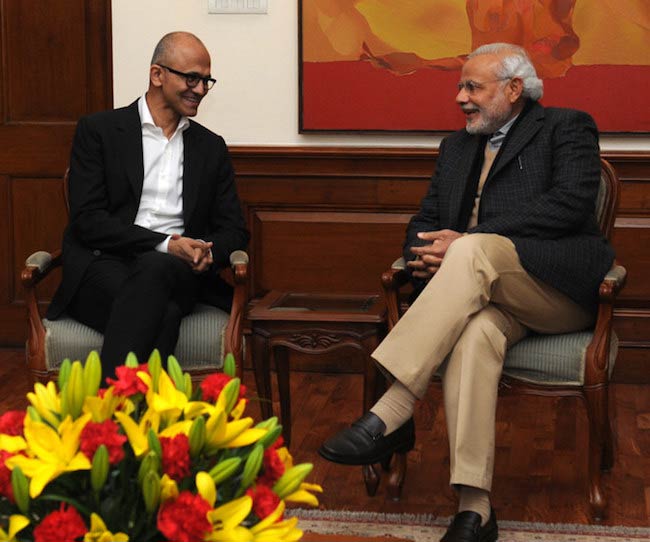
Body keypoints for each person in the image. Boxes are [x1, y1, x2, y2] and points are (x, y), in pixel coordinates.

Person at [319, 43, 615, 542]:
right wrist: (426, 251)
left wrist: (468, 242)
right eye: (461, 86)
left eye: (473, 87)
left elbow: (569, 205)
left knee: (474, 251)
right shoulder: (455, 149)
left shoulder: (566, 127)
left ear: (514, 89)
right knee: (476, 334)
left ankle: (392, 411)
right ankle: (475, 511)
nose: (460, 97)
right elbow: (425, 221)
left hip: (553, 290)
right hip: (482, 299)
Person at [47, 31, 249, 377]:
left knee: (158, 268)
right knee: (164, 314)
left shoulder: (210, 147)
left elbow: (235, 230)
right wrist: (165, 243)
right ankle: (140, 420)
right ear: (158, 75)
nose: (199, 89)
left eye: (205, 81)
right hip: (105, 265)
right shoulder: (99, 131)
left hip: (179, 273)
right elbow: (88, 221)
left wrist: (207, 252)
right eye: (191, 78)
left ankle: (109, 414)